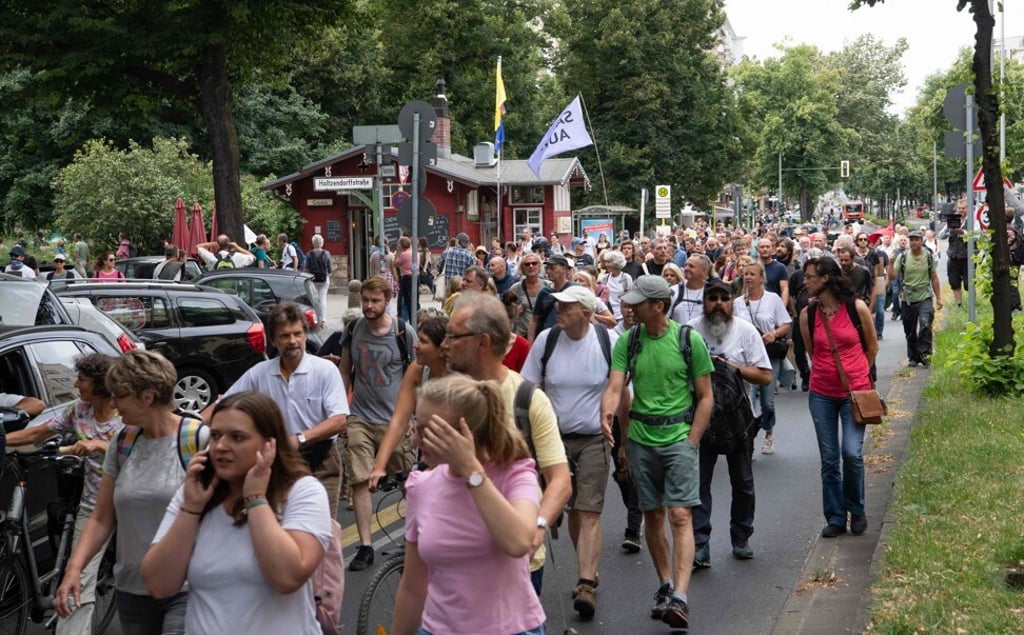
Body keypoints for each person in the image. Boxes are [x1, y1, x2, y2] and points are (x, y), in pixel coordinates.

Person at [142, 392, 331, 634]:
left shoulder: (302, 491)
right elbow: (158, 585)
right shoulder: (195, 493)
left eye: (237, 437)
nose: (221, 446)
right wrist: (190, 509)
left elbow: (288, 578)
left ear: (269, 444)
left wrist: (256, 499)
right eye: (215, 435)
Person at [599, 275, 714, 630]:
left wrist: (692, 440)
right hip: (641, 438)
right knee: (652, 514)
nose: (630, 308)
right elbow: (615, 385)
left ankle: (680, 595)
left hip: (678, 437)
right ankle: (665, 584)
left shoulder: (688, 340)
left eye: (638, 303)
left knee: (680, 515)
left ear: (658, 306)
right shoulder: (629, 340)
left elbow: (706, 396)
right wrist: (607, 412)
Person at [391, 375, 546, 635]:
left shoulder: (516, 474)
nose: (415, 441)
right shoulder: (421, 485)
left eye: (428, 431)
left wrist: (472, 472)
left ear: (465, 434)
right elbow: (413, 587)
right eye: (416, 426)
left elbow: (519, 542)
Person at [444, 292, 571, 594]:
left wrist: (538, 527)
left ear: (483, 342)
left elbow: (560, 479)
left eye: (453, 336)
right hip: (455, 553)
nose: (445, 344)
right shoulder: (443, 395)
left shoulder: (528, 399)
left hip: (515, 557)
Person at [55, 351, 189, 634]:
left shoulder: (196, 440)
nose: (113, 403)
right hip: (133, 589)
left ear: (148, 397)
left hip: (186, 589)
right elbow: (102, 517)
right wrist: (74, 569)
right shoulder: (123, 442)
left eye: (120, 396)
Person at [521, 285, 622, 619]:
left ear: (586, 313)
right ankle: (587, 566)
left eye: (566, 307)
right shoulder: (546, 340)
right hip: (552, 441)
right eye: (558, 305)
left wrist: (626, 441)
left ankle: (586, 583)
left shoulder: (607, 341)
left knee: (588, 510)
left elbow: (621, 389)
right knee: (575, 512)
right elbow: (528, 388)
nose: (558, 310)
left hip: (594, 439)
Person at [6, 355, 120, 634]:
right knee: (77, 578)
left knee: (144, 580)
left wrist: (100, 446)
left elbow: (144, 448)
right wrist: (2, 441)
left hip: (131, 504)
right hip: (94, 506)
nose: (76, 383)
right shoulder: (79, 410)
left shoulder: (126, 413)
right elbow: (37, 433)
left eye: (82, 379)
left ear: (100, 384)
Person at [204, 303, 349, 517]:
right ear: (273, 340)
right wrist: (187, 426)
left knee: (321, 526)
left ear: (305, 334)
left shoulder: (324, 370)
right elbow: (224, 404)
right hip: (278, 461)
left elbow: (339, 420)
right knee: (280, 523)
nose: (292, 341)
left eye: (297, 334)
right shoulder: (260, 373)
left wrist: (299, 439)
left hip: (322, 459)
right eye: (285, 336)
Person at [687, 280, 771, 567]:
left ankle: (741, 537)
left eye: (724, 299)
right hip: (701, 420)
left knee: (743, 482)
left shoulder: (746, 331)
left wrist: (733, 368)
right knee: (699, 484)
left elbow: (765, 376)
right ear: (704, 302)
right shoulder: (690, 331)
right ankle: (700, 544)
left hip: (738, 420)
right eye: (713, 298)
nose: (718, 304)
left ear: (732, 302)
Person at [338, 276, 417, 571]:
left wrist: (414, 416)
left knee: (408, 482)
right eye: (365, 300)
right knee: (359, 479)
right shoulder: (353, 329)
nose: (369, 306)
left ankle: (413, 540)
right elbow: (344, 370)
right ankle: (366, 546)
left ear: (387, 301)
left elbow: (416, 376)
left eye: (375, 301)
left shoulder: (402, 332)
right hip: (360, 416)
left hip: (395, 421)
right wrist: (342, 410)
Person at [799, 257, 878, 538]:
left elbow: (872, 347)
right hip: (821, 393)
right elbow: (812, 351)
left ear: (826, 279)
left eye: (810, 277)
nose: (805, 281)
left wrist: (858, 375)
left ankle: (856, 510)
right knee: (830, 459)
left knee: (852, 454)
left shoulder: (856, 308)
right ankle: (835, 516)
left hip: (854, 394)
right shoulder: (808, 314)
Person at [367, 316, 449, 492]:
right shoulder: (417, 369)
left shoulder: (461, 377)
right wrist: (379, 466)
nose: (416, 346)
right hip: (428, 456)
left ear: (442, 348)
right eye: (418, 339)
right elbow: (399, 421)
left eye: (424, 342)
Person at [733, 261, 791, 455]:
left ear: (761, 278)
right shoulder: (738, 303)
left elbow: (786, 323)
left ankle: (768, 432)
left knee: (767, 402)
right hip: (745, 357)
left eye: (752, 274)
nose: (748, 277)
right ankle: (748, 437)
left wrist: (773, 334)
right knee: (747, 400)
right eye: (746, 274)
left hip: (767, 355)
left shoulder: (772, 299)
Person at [894, 231, 942, 367]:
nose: (913, 242)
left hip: (924, 297)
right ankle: (913, 357)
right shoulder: (903, 257)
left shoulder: (928, 257)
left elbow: (934, 277)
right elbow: (892, 275)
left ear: (921, 241)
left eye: (916, 240)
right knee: (910, 330)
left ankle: (925, 355)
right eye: (912, 240)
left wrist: (939, 298)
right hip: (908, 298)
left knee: (925, 324)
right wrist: (891, 263)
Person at [508, 252, 550, 337]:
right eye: (527, 264)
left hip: (544, 334)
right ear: (522, 268)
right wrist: (515, 312)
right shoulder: (515, 288)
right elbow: (507, 313)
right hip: (523, 335)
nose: (531, 266)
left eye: (534, 263)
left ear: (539, 266)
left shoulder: (548, 286)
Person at [670, 255, 711, 326]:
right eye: (686, 265)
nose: (686, 268)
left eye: (691, 266)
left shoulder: (711, 292)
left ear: (703, 271)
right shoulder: (673, 291)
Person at [945, 198, 969, 307]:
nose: (961, 210)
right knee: (954, 282)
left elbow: (977, 235)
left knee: (969, 283)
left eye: (963, 208)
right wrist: (948, 228)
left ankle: (971, 304)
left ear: (967, 209)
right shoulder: (953, 220)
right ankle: (959, 304)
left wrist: (963, 232)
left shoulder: (972, 221)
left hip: (967, 257)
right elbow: (941, 235)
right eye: (959, 208)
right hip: (953, 256)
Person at [599, 249, 633, 325]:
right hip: (608, 315)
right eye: (606, 262)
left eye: (609, 262)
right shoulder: (604, 278)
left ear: (616, 263)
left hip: (621, 316)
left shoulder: (626, 278)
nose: (606, 264)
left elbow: (630, 297)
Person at [307, 234, 331, 324]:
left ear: (313, 243)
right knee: (323, 298)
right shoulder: (326, 254)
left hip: (313, 279)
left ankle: (316, 318)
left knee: (314, 299)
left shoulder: (309, 254)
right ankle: (323, 319)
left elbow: (307, 267)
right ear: (322, 243)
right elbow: (329, 268)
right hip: (324, 278)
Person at [395, 236, 414, 322]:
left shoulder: (403, 254)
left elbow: (395, 264)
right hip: (415, 277)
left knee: (405, 299)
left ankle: (403, 317)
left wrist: (398, 253)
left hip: (406, 277)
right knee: (414, 299)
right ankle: (414, 318)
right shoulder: (414, 253)